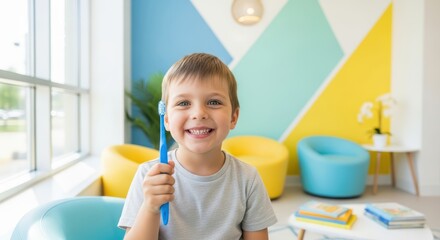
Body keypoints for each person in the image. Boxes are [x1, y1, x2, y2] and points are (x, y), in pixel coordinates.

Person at [118, 53, 277, 239]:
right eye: (183, 103)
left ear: (233, 117)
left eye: (213, 102)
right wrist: (150, 207)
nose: (199, 113)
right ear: (167, 119)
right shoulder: (148, 176)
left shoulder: (248, 179)